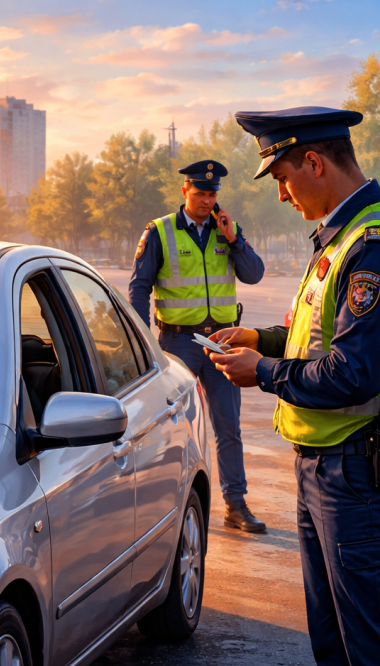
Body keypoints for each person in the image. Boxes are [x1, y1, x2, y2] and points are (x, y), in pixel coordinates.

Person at [206, 107, 380, 666]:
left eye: (282, 177)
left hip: (361, 477)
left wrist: (262, 374)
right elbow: (316, 338)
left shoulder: (378, 249)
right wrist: (259, 339)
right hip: (329, 474)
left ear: (315, 162)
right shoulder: (341, 239)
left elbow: (351, 373)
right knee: (336, 650)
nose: (281, 194)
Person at [129, 159, 268, 532]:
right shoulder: (160, 232)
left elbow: (254, 274)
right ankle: (168, 505)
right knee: (173, 427)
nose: (207, 201)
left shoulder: (228, 230)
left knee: (228, 426)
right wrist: (144, 343)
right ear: (185, 191)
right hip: (179, 342)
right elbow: (139, 288)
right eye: (201, 193)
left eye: (212, 194)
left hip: (221, 342)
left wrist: (234, 240)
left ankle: (235, 505)